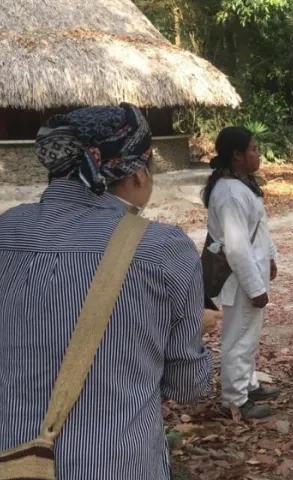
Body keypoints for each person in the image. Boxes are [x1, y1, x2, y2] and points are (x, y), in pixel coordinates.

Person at [0, 104, 212, 479]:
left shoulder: (7, 229)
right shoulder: (161, 248)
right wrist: (196, 330)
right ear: (136, 174)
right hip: (117, 464)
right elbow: (188, 386)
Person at [203, 126, 280, 419]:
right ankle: (234, 398)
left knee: (249, 334)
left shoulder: (242, 184)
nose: (258, 153)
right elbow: (236, 247)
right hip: (239, 278)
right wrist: (255, 288)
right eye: (253, 149)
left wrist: (271, 258)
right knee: (238, 337)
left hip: (252, 271)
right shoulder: (230, 193)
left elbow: (259, 227)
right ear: (237, 155)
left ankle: (247, 384)